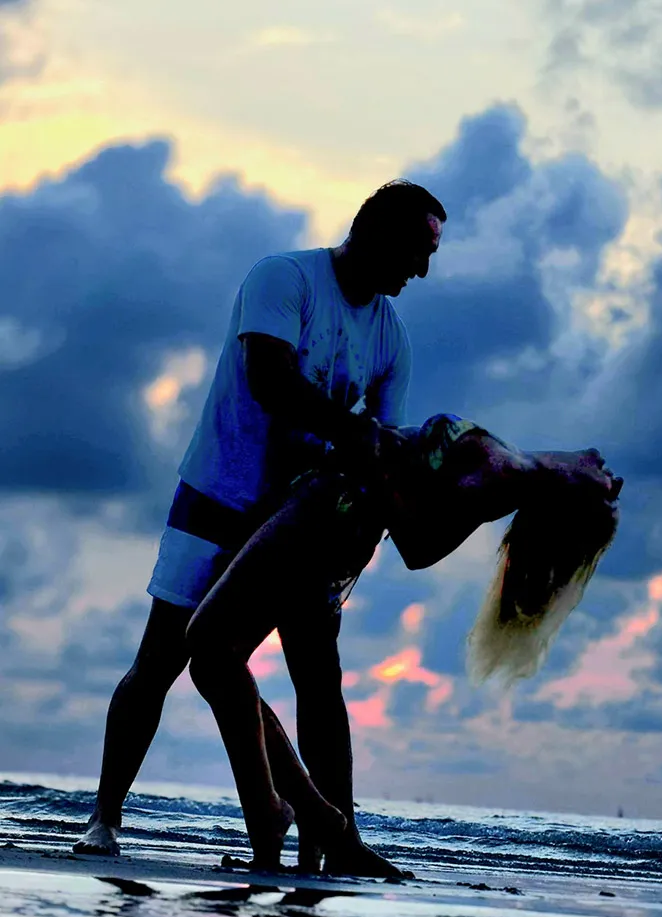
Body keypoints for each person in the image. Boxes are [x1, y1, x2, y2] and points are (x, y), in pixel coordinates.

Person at [74, 180, 446, 876]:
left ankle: (334, 840)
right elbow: (270, 381)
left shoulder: (391, 336)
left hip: (300, 520)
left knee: (318, 675)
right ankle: (105, 817)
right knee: (162, 660)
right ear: (374, 231)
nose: (422, 271)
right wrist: (356, 435)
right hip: (218, 495)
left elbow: (385, 448)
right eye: (417, 251)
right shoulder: (284, 279)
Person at [183, 413, 622, 869]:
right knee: (316, 685)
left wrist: (378, 456)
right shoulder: (513, 466)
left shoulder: (505, 472)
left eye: (609, 492)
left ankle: (307, 814)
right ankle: (333, 841)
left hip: (330, 512)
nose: (612, 474)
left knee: (211, 649)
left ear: (571, 498)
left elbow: (417, 546)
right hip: (344, 524)